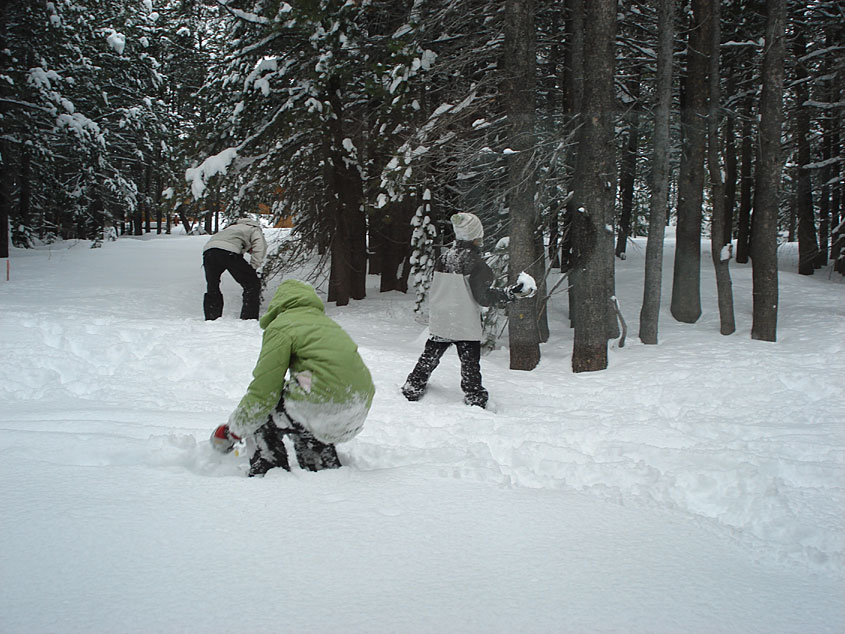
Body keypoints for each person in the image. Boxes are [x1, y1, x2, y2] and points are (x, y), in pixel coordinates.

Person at [210, 279, 375, 476]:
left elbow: (264, 391)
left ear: (279, 303)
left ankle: (270, 472)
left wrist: (234, 431)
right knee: (298, 405)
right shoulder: (327, 324)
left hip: (323, 402)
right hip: (357, 406)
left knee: (266, 411)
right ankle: (322, 467)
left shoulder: (282, 326)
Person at [402, 212, 535, 408]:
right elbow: (484, 297)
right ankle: (474, 396)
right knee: (470, 363)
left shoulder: (444, 258)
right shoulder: (477, 264)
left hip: (441, 318)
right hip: (464, 322)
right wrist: (510, 293)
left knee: (430, 356)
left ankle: (413, 386)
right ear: (475, 237)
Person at [202, 216, 267, 320]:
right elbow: (260, 247)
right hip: (229, 252)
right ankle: (249, 318)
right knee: (252, 284)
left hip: (209, 252)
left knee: (212, 285)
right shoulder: (254, 229)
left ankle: (212, 316)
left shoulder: (231, 228)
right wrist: (253, 267)